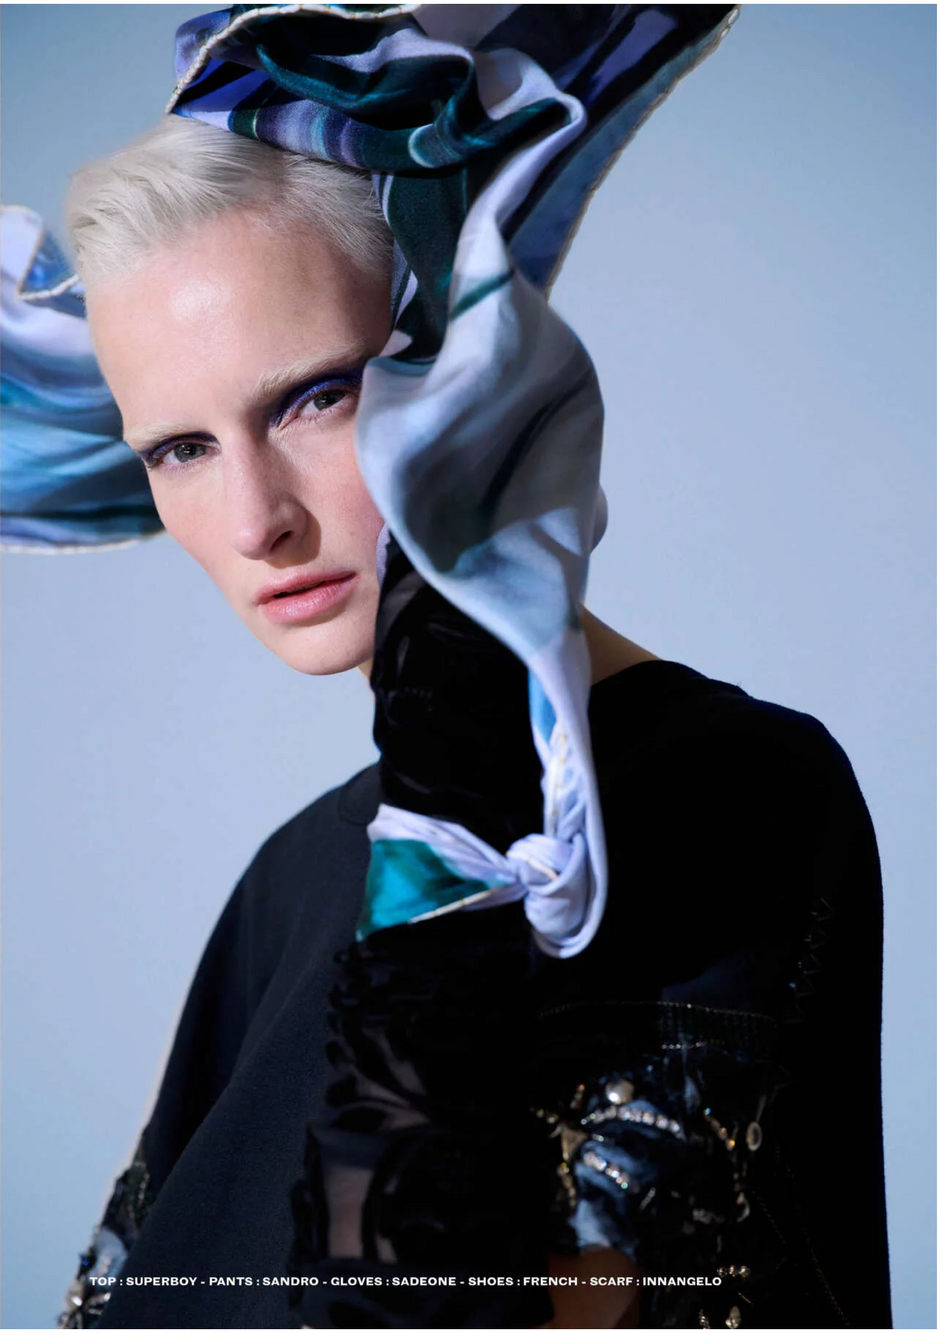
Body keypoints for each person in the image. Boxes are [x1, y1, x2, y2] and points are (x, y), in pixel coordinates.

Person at [1, 6, 891, 1329]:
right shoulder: (290, 881)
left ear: (466, 371)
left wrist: (455, 789)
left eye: (314, 396)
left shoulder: (729, 790)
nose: (254, 522)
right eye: (180, 450)